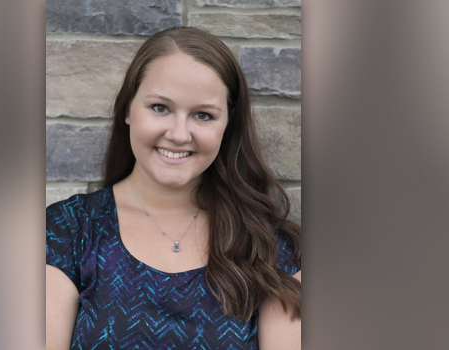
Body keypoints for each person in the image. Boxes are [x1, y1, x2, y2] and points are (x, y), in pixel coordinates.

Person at [46, 27, 301, 350]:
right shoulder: (66, 231)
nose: (180, 134)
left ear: (228, 125)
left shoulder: (272, 249)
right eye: (160, 108)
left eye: (203, 115)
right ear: (128, 108)